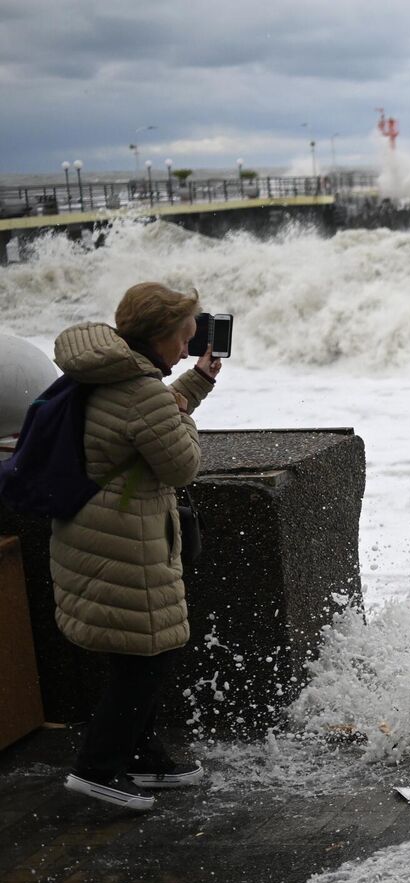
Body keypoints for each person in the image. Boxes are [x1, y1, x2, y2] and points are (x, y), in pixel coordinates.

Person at [55, 282, 221, 811]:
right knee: (144, 659)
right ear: (161, 335)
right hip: (126, 537)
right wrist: (186, 415)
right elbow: (180, 463)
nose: (185, 350)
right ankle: (98, 769)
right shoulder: (141, 389)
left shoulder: (108, 372)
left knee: (139, 651)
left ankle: (142, 754)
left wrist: (195, 385)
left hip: (95, 529)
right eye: (183, 340)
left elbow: (141, 424)